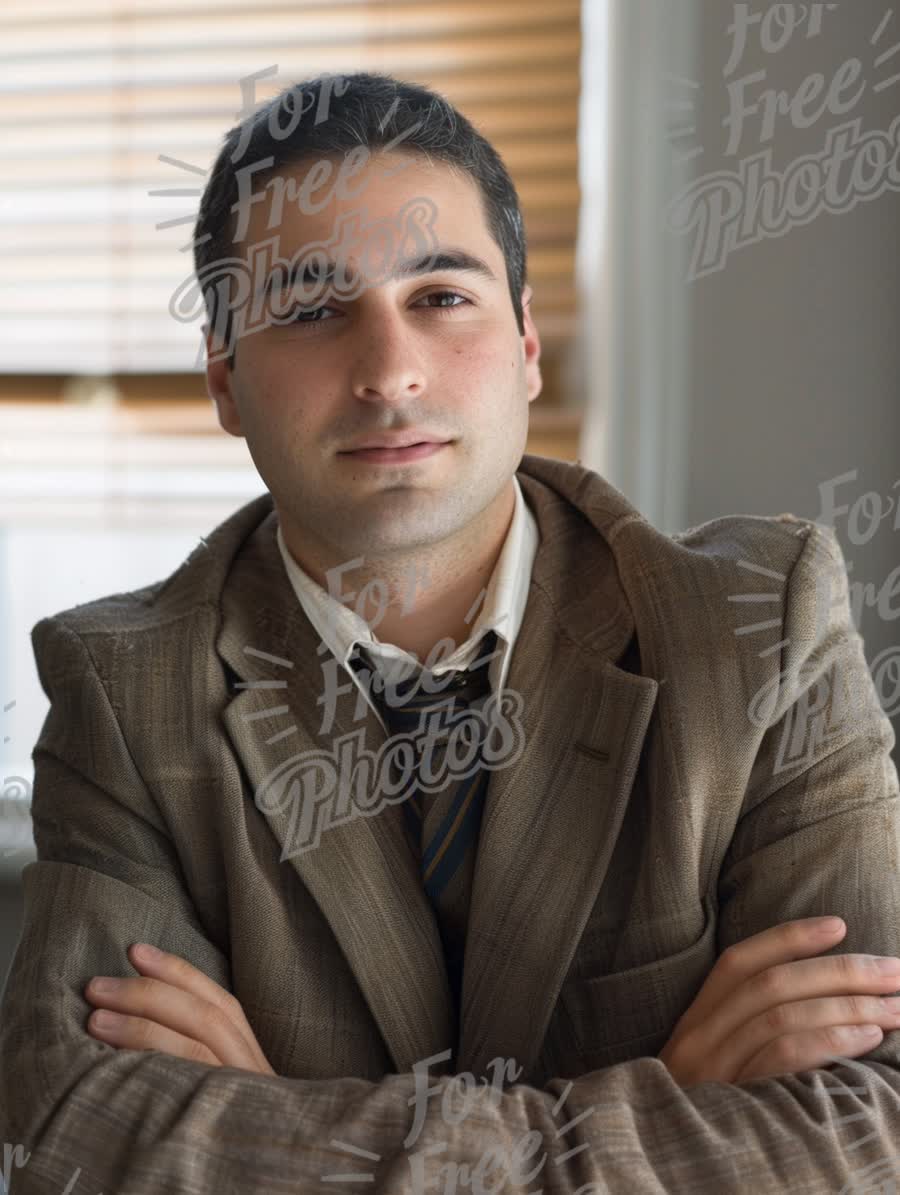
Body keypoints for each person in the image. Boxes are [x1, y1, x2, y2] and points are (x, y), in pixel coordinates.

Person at [2, 71, 899, 1194]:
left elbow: (869, 1126)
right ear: (227, 381)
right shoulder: (121, 688)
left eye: (440, 295)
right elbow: (76, 1136)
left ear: (526, 343)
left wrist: (275, 1115)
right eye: (312, 310)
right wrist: (667, 1088)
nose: (389, 372)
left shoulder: (764, 628)